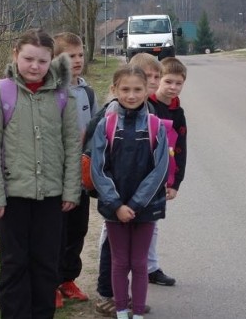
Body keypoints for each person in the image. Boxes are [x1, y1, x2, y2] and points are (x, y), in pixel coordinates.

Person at [0, 28, 81, 318]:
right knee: (13, 266)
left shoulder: (63, 96)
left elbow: (72, 146)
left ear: (52, 61)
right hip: (12, 199)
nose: (34, 66)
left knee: (46, 266)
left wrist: (71, 190)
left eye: (42, 61)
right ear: (15, 55)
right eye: (28, 59)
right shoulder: (1, 93)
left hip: (51, 197)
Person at [91, 64, 169, 319]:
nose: (131, 95)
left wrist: (134, 204)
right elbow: (98, 169)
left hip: (145, 209)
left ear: (147, 90)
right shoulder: (106, 125)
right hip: (115, 210)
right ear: (114, 90)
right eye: (125, 89)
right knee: (119, 262)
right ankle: (121, 310)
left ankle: (137, 312)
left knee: (139, 263)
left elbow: (159, 170)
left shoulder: (156, 126)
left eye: (138, 89)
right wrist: (116, 205)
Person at [53, 32, 98, 307]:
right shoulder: (51, 92)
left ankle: (68, 279)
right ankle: (51, 284)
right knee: (56, 233)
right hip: (57, 178)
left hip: (80, 178)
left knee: (77, 230)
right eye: (70, 56)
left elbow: (94, 129)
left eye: (80, 54)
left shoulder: (87, 90)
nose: (78, 60)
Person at [146, 57, 188, 286]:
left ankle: (151, 268)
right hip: (139, 175)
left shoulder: (177, 112)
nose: (173, 87)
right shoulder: (146, 104)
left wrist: (175, 183)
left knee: (152, 224)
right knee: (117, 225)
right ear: (158, 80)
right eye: (168, 81)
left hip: (162, 179)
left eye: (178, 83)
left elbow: (180, 148)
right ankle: (114, 271)